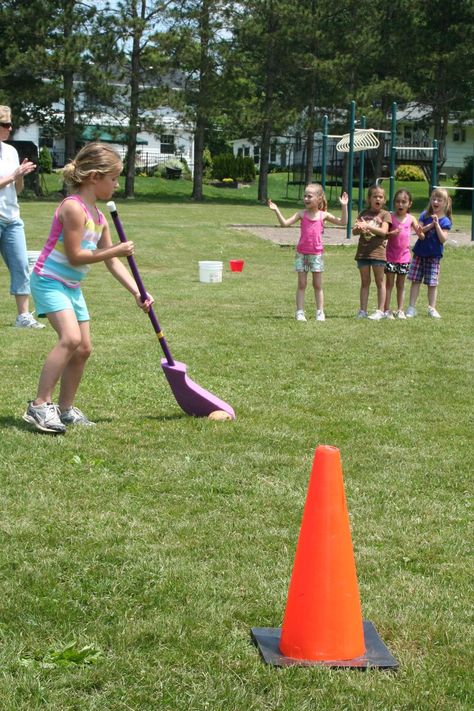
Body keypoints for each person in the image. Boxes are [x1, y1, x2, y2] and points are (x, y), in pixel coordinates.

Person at [23, 142, 153, 434]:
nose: (117, 185)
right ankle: (40, 405)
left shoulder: (99, 217)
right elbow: (75, 256)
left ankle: (65, 409)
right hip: (49, 280)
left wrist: (137, 292)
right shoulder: (73, 208)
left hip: (71, 285)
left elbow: (113, 264)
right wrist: (116, 250)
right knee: (69, 338)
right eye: (113, 179)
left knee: (83, 349)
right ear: (95, 177)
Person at [268, 184, 348, 321]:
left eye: (309, 196)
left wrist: (344, 206)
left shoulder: (323, 215)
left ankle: (320, 312)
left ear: (319, 198)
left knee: (317, 285)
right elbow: (285, 224)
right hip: (301, 254)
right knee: (302, 284)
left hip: (317, 255)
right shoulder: (301, 214)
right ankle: (299, 312)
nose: (306, 198)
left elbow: (343, 222)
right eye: (305, 196)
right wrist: (276, 210)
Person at [0, 105, 44, 328]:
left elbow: (16, 190)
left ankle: (23, 317)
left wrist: (20, 176)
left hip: (11, 217)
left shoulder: (10, 151)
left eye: (10, 124)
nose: (10, 128)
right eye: (5, 125)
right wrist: (13, 175)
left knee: (20, 266)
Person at [406, 187, 452, 319]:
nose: (435, 201)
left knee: (432, 284)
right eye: (433, 199)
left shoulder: (445, 221)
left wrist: (437, 225)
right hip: (419, 254)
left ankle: (432, 308)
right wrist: (430, 225)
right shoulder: (424, 215)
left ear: (445, 203)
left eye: (439, 199)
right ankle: (411, 307)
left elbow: (443, 239)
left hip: (434, 257)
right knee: (415, 281)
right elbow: (419, 231)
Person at [353, 185, 392, 320]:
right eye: (375, 196)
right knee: (365, 282)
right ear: (369, 199)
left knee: (380, 281)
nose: (378, 199)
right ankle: (362, 310)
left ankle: (380, 311)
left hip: (378, 253)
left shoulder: (385, 214)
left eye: (381, 197)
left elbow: (383, 232)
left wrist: (368, 226)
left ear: (384, 200)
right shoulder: (363, 213)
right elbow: (354, 231)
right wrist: (359, 227)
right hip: (363, 252)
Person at [384, 189, 422, 319]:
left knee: (400, 285)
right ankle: (386, 310)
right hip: (390, 257)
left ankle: (400, 310)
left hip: (404, 258)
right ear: (394, 203)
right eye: (398, 202)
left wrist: (422, 231)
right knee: (389, 284)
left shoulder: (411, 219)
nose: (400, 204)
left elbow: (420, 234)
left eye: (404, 202)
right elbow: (384, 234)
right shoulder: (390, 217)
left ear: (409, 204)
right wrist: (390, 234)